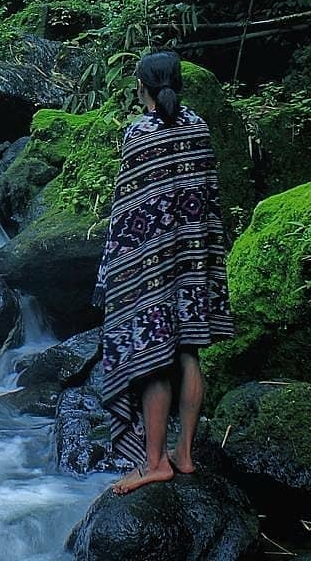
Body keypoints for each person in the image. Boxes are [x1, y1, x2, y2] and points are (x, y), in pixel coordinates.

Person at [93, 50, 235, 494]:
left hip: (152, 264)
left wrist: (114, 271)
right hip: (193, 259)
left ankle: (155, 462)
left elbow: (128, 210)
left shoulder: (139, 134)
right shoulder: (198, 126)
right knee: (188, 351)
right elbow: (207, 195)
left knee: (153, 360)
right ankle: (185, 454)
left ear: (143, 86)